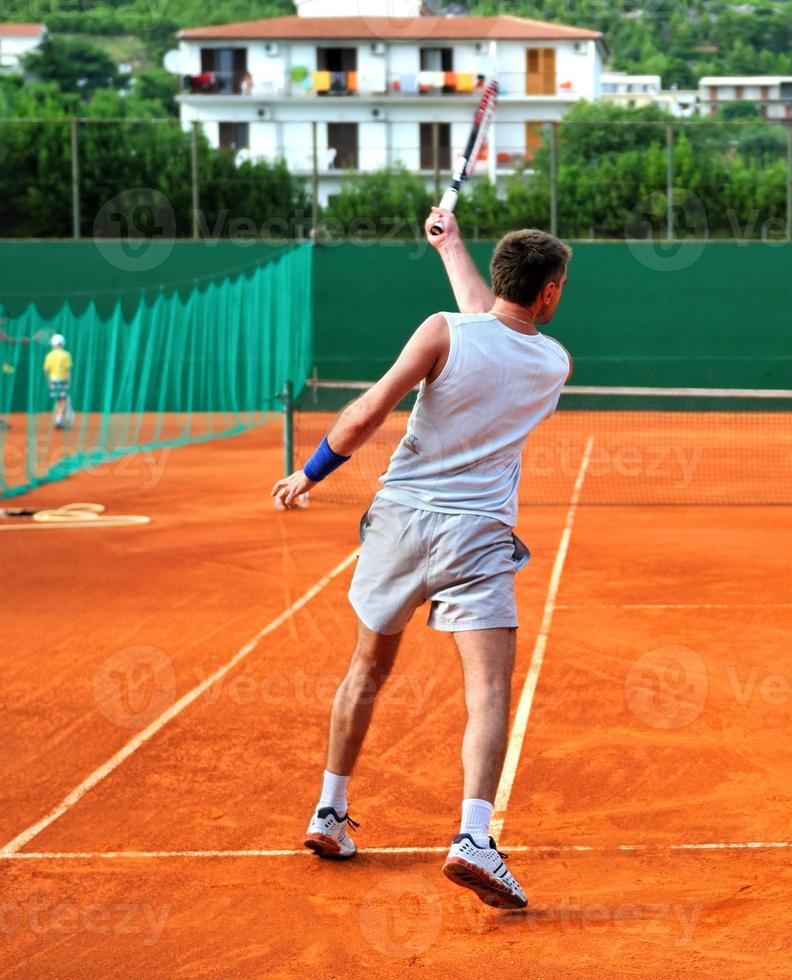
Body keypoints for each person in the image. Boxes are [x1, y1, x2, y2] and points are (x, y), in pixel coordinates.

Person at [271, 209, 573, 910]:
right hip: (478, 537)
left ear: (502, 276)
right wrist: (452, 247)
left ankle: (329, 811)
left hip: (398, 524)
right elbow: (495, 330)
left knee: (366, 670)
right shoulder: (553, 362)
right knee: (489, 692)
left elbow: (367, 413)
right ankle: (472, 838)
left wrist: (308, 475)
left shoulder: (442, 330)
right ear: (550, 293)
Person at [44, 334, 73, 429]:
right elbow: (68, 370)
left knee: (59, 401)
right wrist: (69, 382)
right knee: (63, 401)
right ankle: (58, 419)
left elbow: (46, 370)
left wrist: (49, 381)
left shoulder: (49, 355)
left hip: (53, 380)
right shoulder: (66, 355)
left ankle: (58, 418)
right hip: (62, 380)